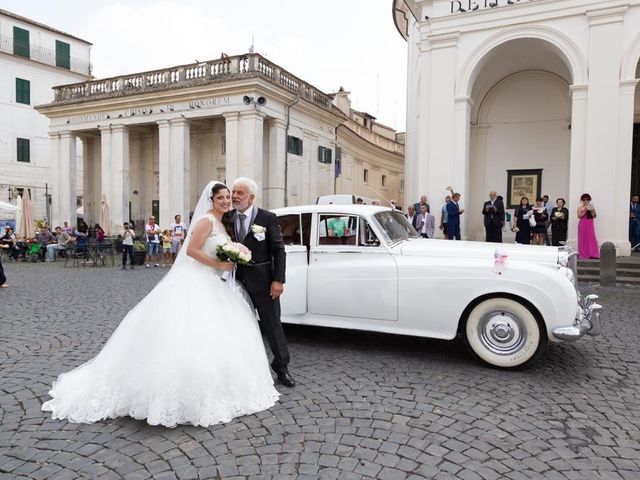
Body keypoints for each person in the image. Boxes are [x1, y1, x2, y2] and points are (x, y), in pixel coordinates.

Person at [42, 181, 280, 427]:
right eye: (221, 197)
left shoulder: (223, 222)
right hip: (199, 280)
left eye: (228, 197)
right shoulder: (206, 221)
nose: (226, 201)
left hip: (215, 283)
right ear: (211, 200)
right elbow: (191, 251)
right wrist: (218, 264)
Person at [225, 177, 294, 388]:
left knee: (273, 326)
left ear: (251, 197)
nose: (235, 196)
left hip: (264, 283)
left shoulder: (267, 218)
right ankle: (242, 369)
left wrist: (278, 280)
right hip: (236, 282)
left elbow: (278, 251)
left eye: (240, 193)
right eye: (233, 192)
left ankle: (281, 368)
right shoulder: (226, 218)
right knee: (239, 326)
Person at [577, 193, 599, 259]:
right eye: (584, 199)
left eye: (587, 199)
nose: (586, 201)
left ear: (589, 200)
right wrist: (585, 211)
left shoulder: (592, 207)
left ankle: (592, 253)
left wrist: (592, 210)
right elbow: (579, 216)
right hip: (582, 224)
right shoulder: (580, 207)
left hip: (590, 224)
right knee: (582, 239)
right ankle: (583, 254)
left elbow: (595, 216)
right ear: (582, 200)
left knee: (591, 238)